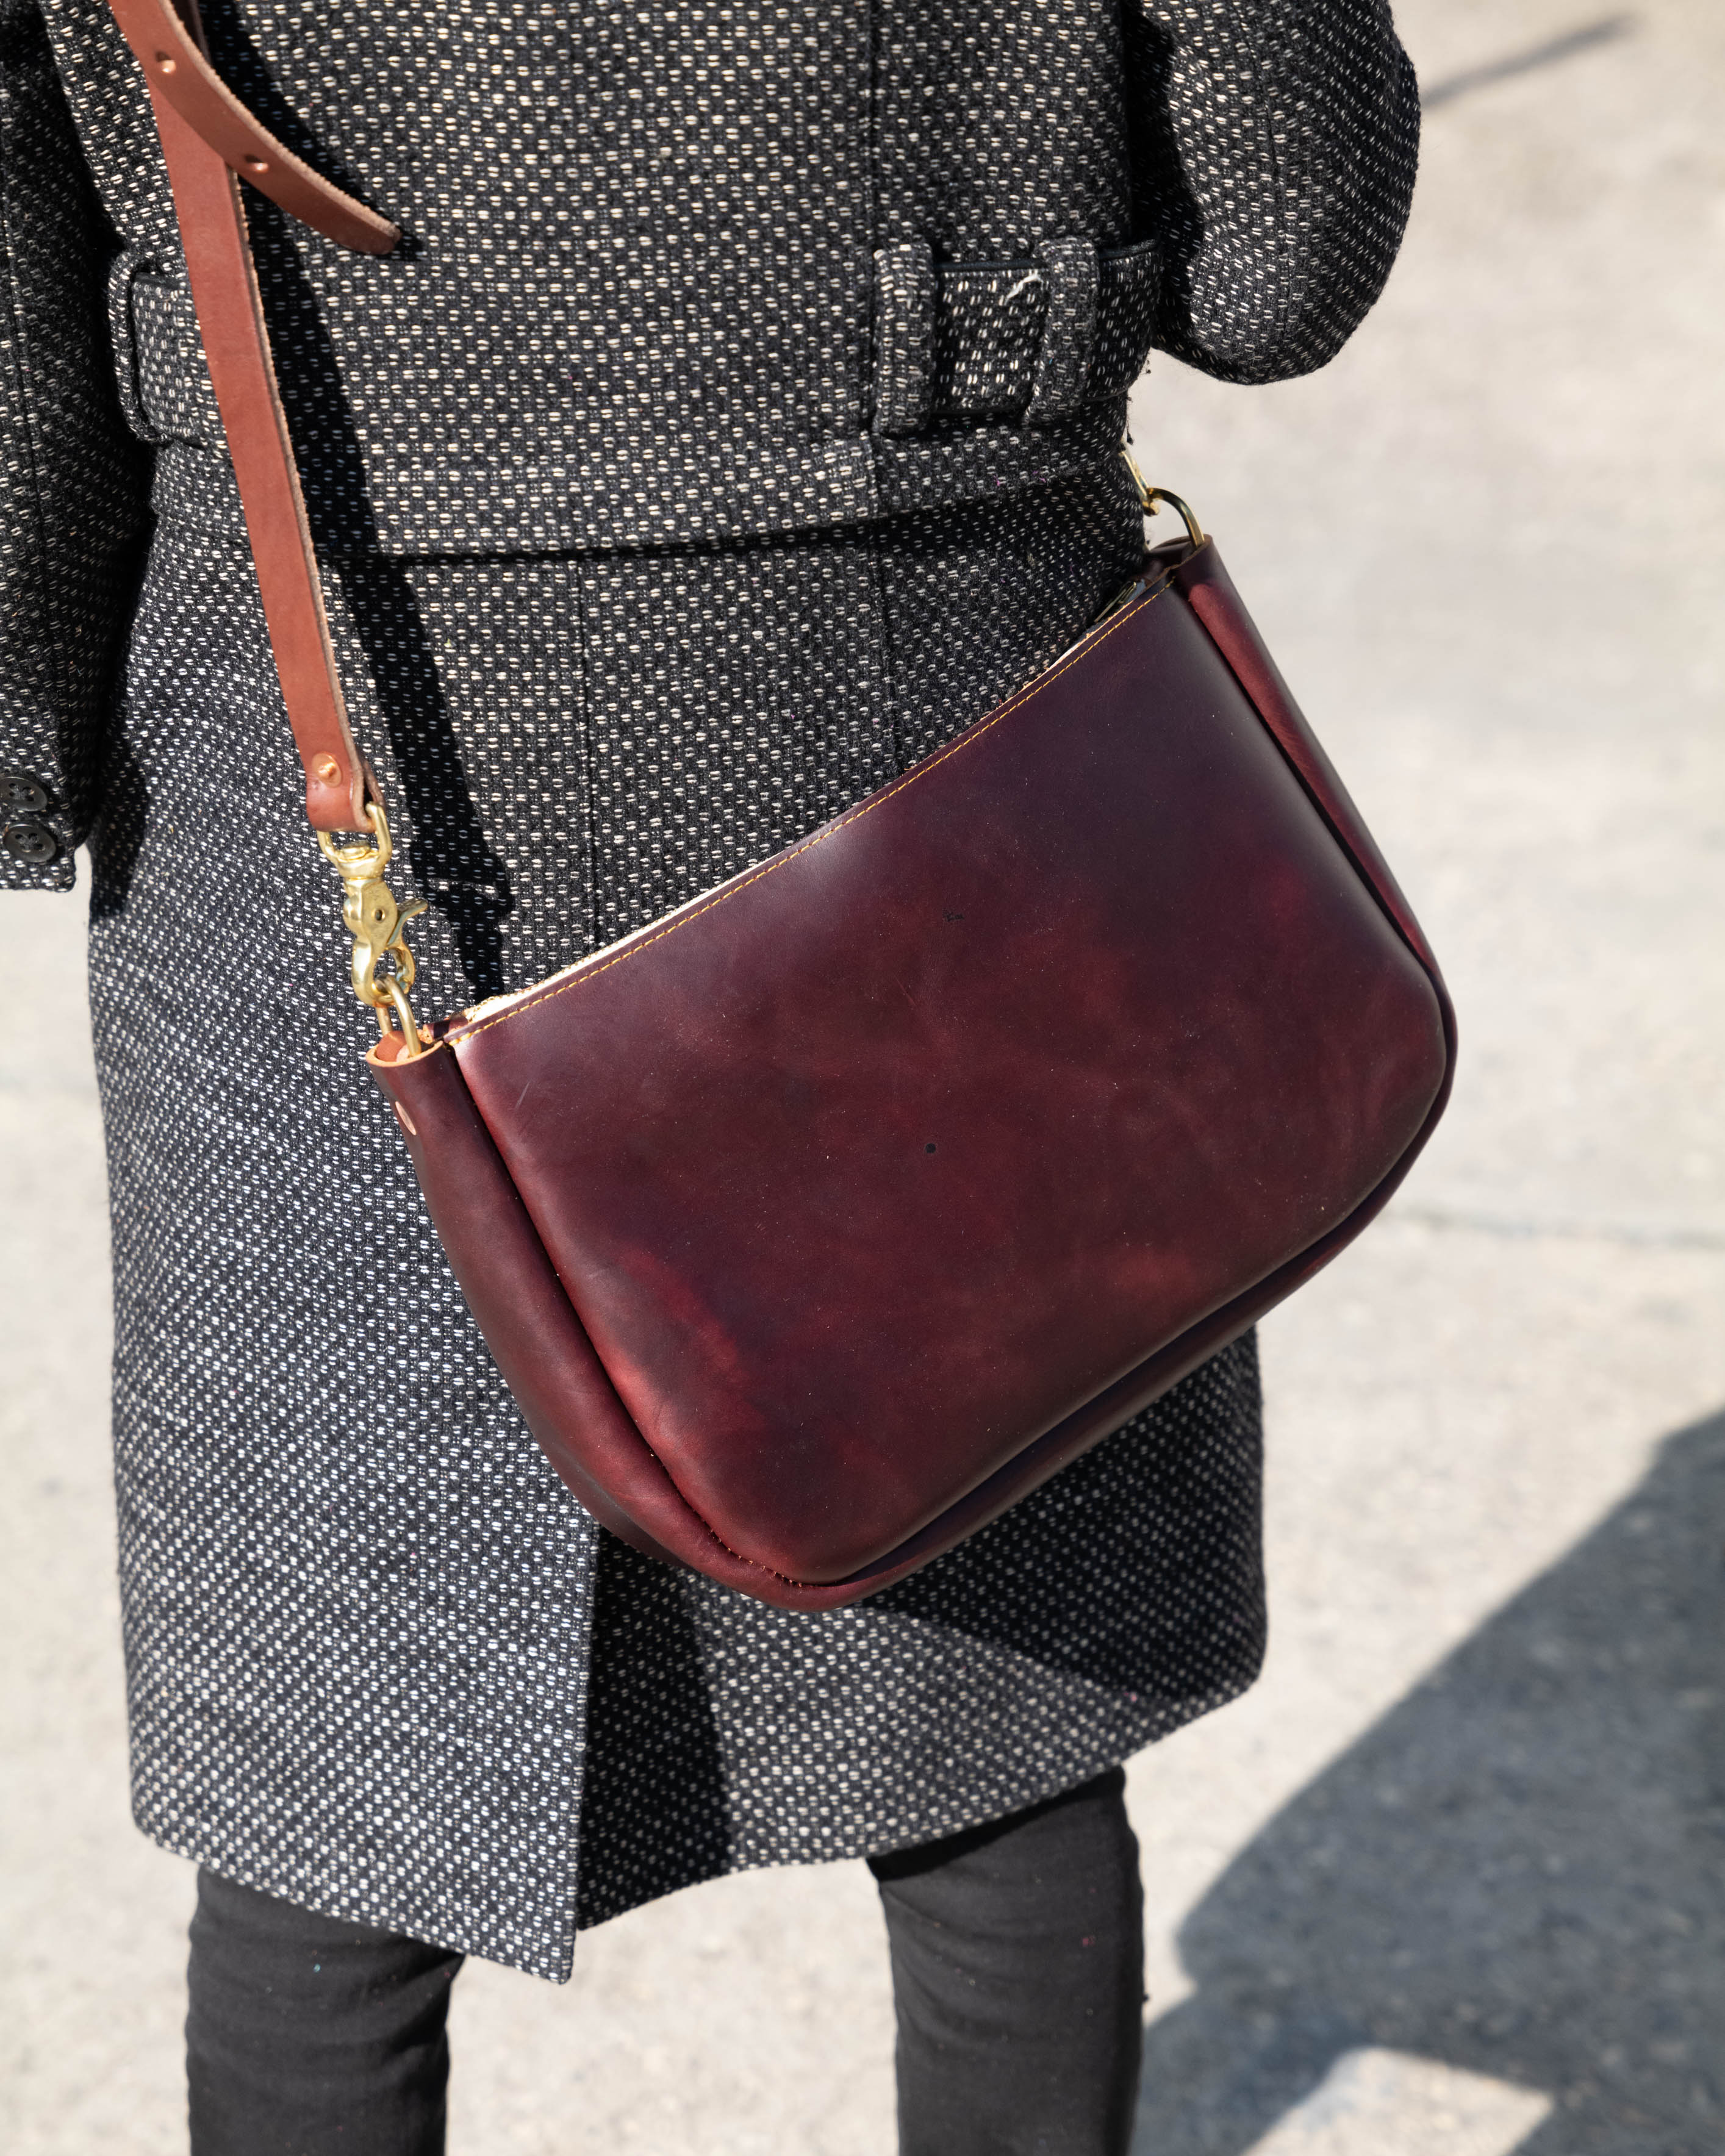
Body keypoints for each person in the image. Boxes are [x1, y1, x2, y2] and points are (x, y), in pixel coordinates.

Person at [0, 1, 1419, 2149]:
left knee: (332, 1782)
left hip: (320, 738)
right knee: (990, 1725)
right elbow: (1280, 256)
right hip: (933, 713)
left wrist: (29, 712)